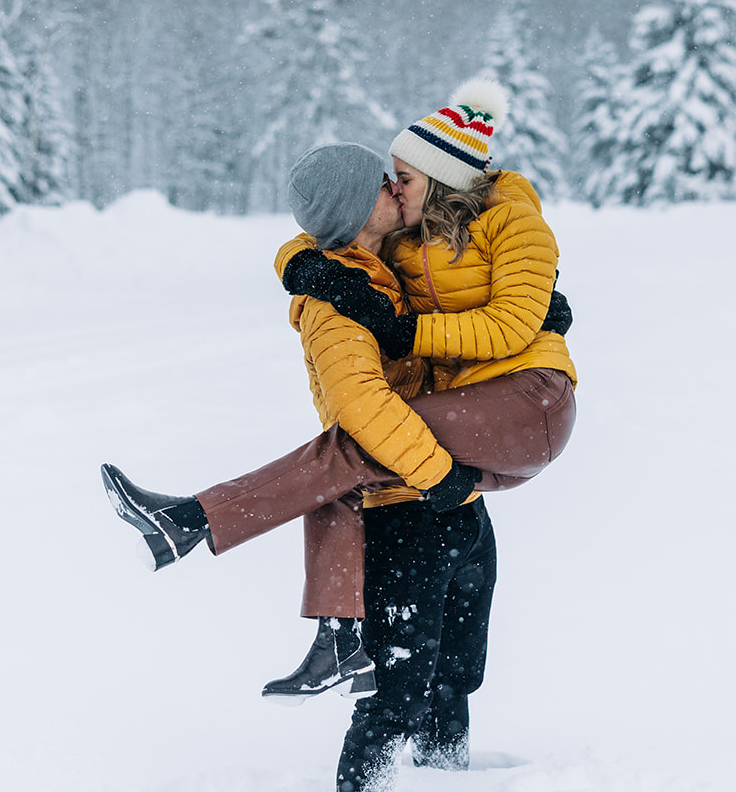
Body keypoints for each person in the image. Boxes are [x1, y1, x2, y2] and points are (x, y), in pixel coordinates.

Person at [102, 81, 576, 787]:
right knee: (397, 697)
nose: (394, 185)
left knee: (454, 680)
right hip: (405, 508)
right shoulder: (339, 298)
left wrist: (535, 314)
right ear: (363, 211)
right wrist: (439, 475)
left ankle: (447, 773)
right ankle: (197, 519)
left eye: (402, 176)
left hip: (455, 506)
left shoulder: (396, 255)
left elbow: (485, 292)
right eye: (384, 182)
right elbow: (364, 413)